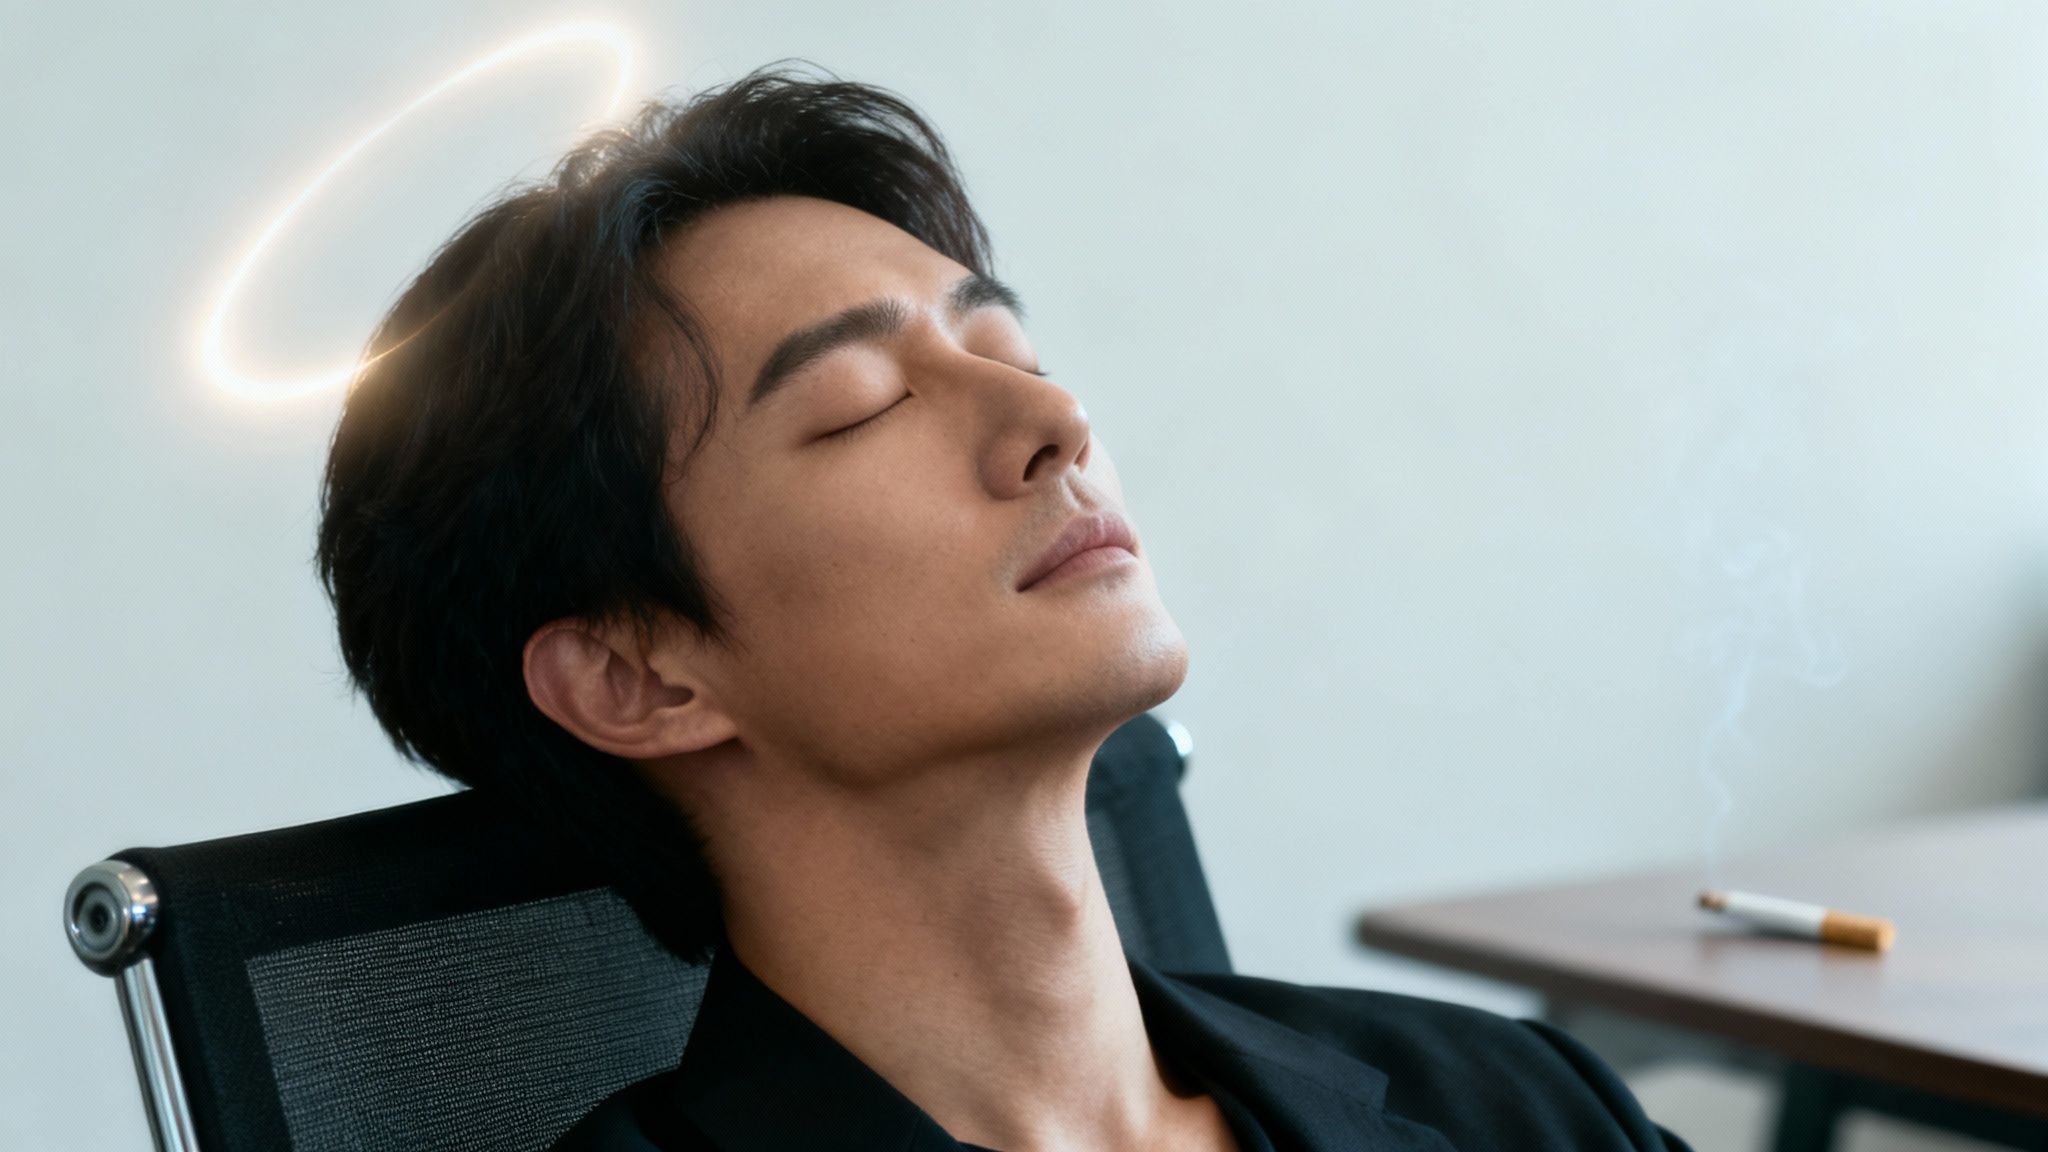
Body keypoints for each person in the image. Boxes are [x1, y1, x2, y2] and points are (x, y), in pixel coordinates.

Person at [314, 64, 1692, 1152]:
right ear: (640, 679)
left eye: (1007, 349)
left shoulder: (1513, 1100)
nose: (1054, 421)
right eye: (863, 407)